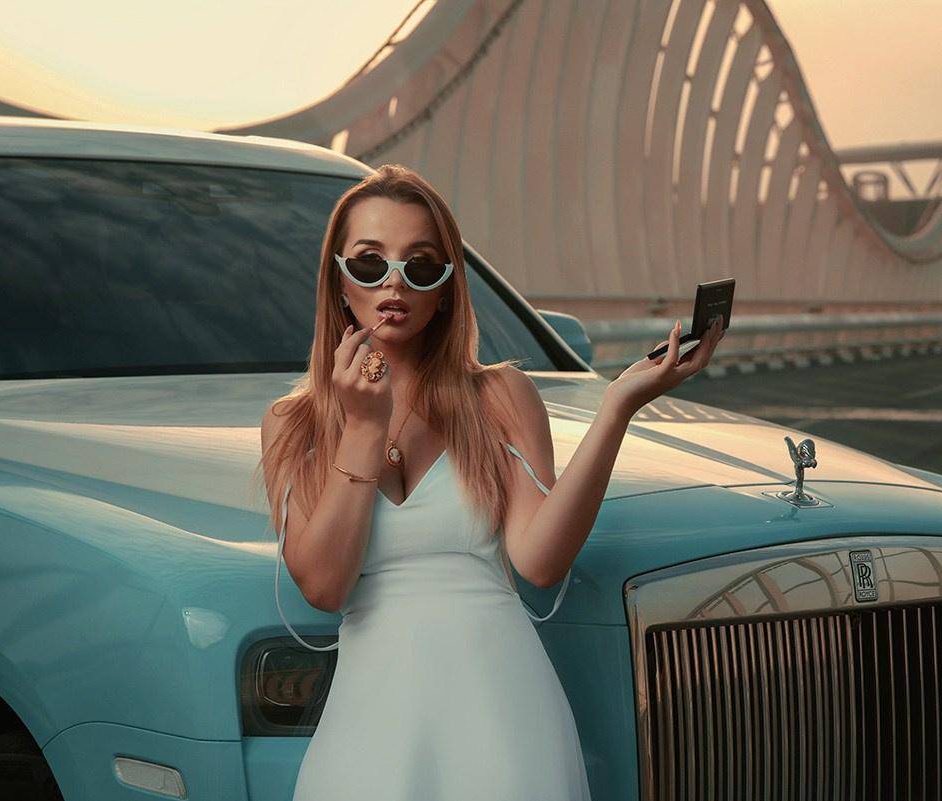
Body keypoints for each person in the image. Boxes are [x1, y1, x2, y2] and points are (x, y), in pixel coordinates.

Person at [259, 164, 723, 800]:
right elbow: (325, 587)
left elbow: (539, 562)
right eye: (370, 263)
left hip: (506, 718)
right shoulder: (293, 423)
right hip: (369, 726)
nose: (394, 282)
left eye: (421, 266)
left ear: (447, 287)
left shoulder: (501, 395)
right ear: (339, 280)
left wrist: (618, 406)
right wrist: (363, 431)